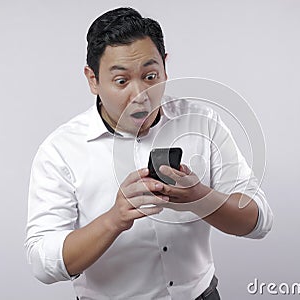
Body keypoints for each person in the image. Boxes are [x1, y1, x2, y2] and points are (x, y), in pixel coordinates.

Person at [25, 7, 273, 300]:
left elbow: (259, 222)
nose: (139, 94)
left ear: (166, 67)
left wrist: (200, 198)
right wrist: (114, 219)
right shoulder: (60, 150)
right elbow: (42, 264)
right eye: (121, 81)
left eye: (150, 75)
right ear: (93, 80)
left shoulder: (201, 122)